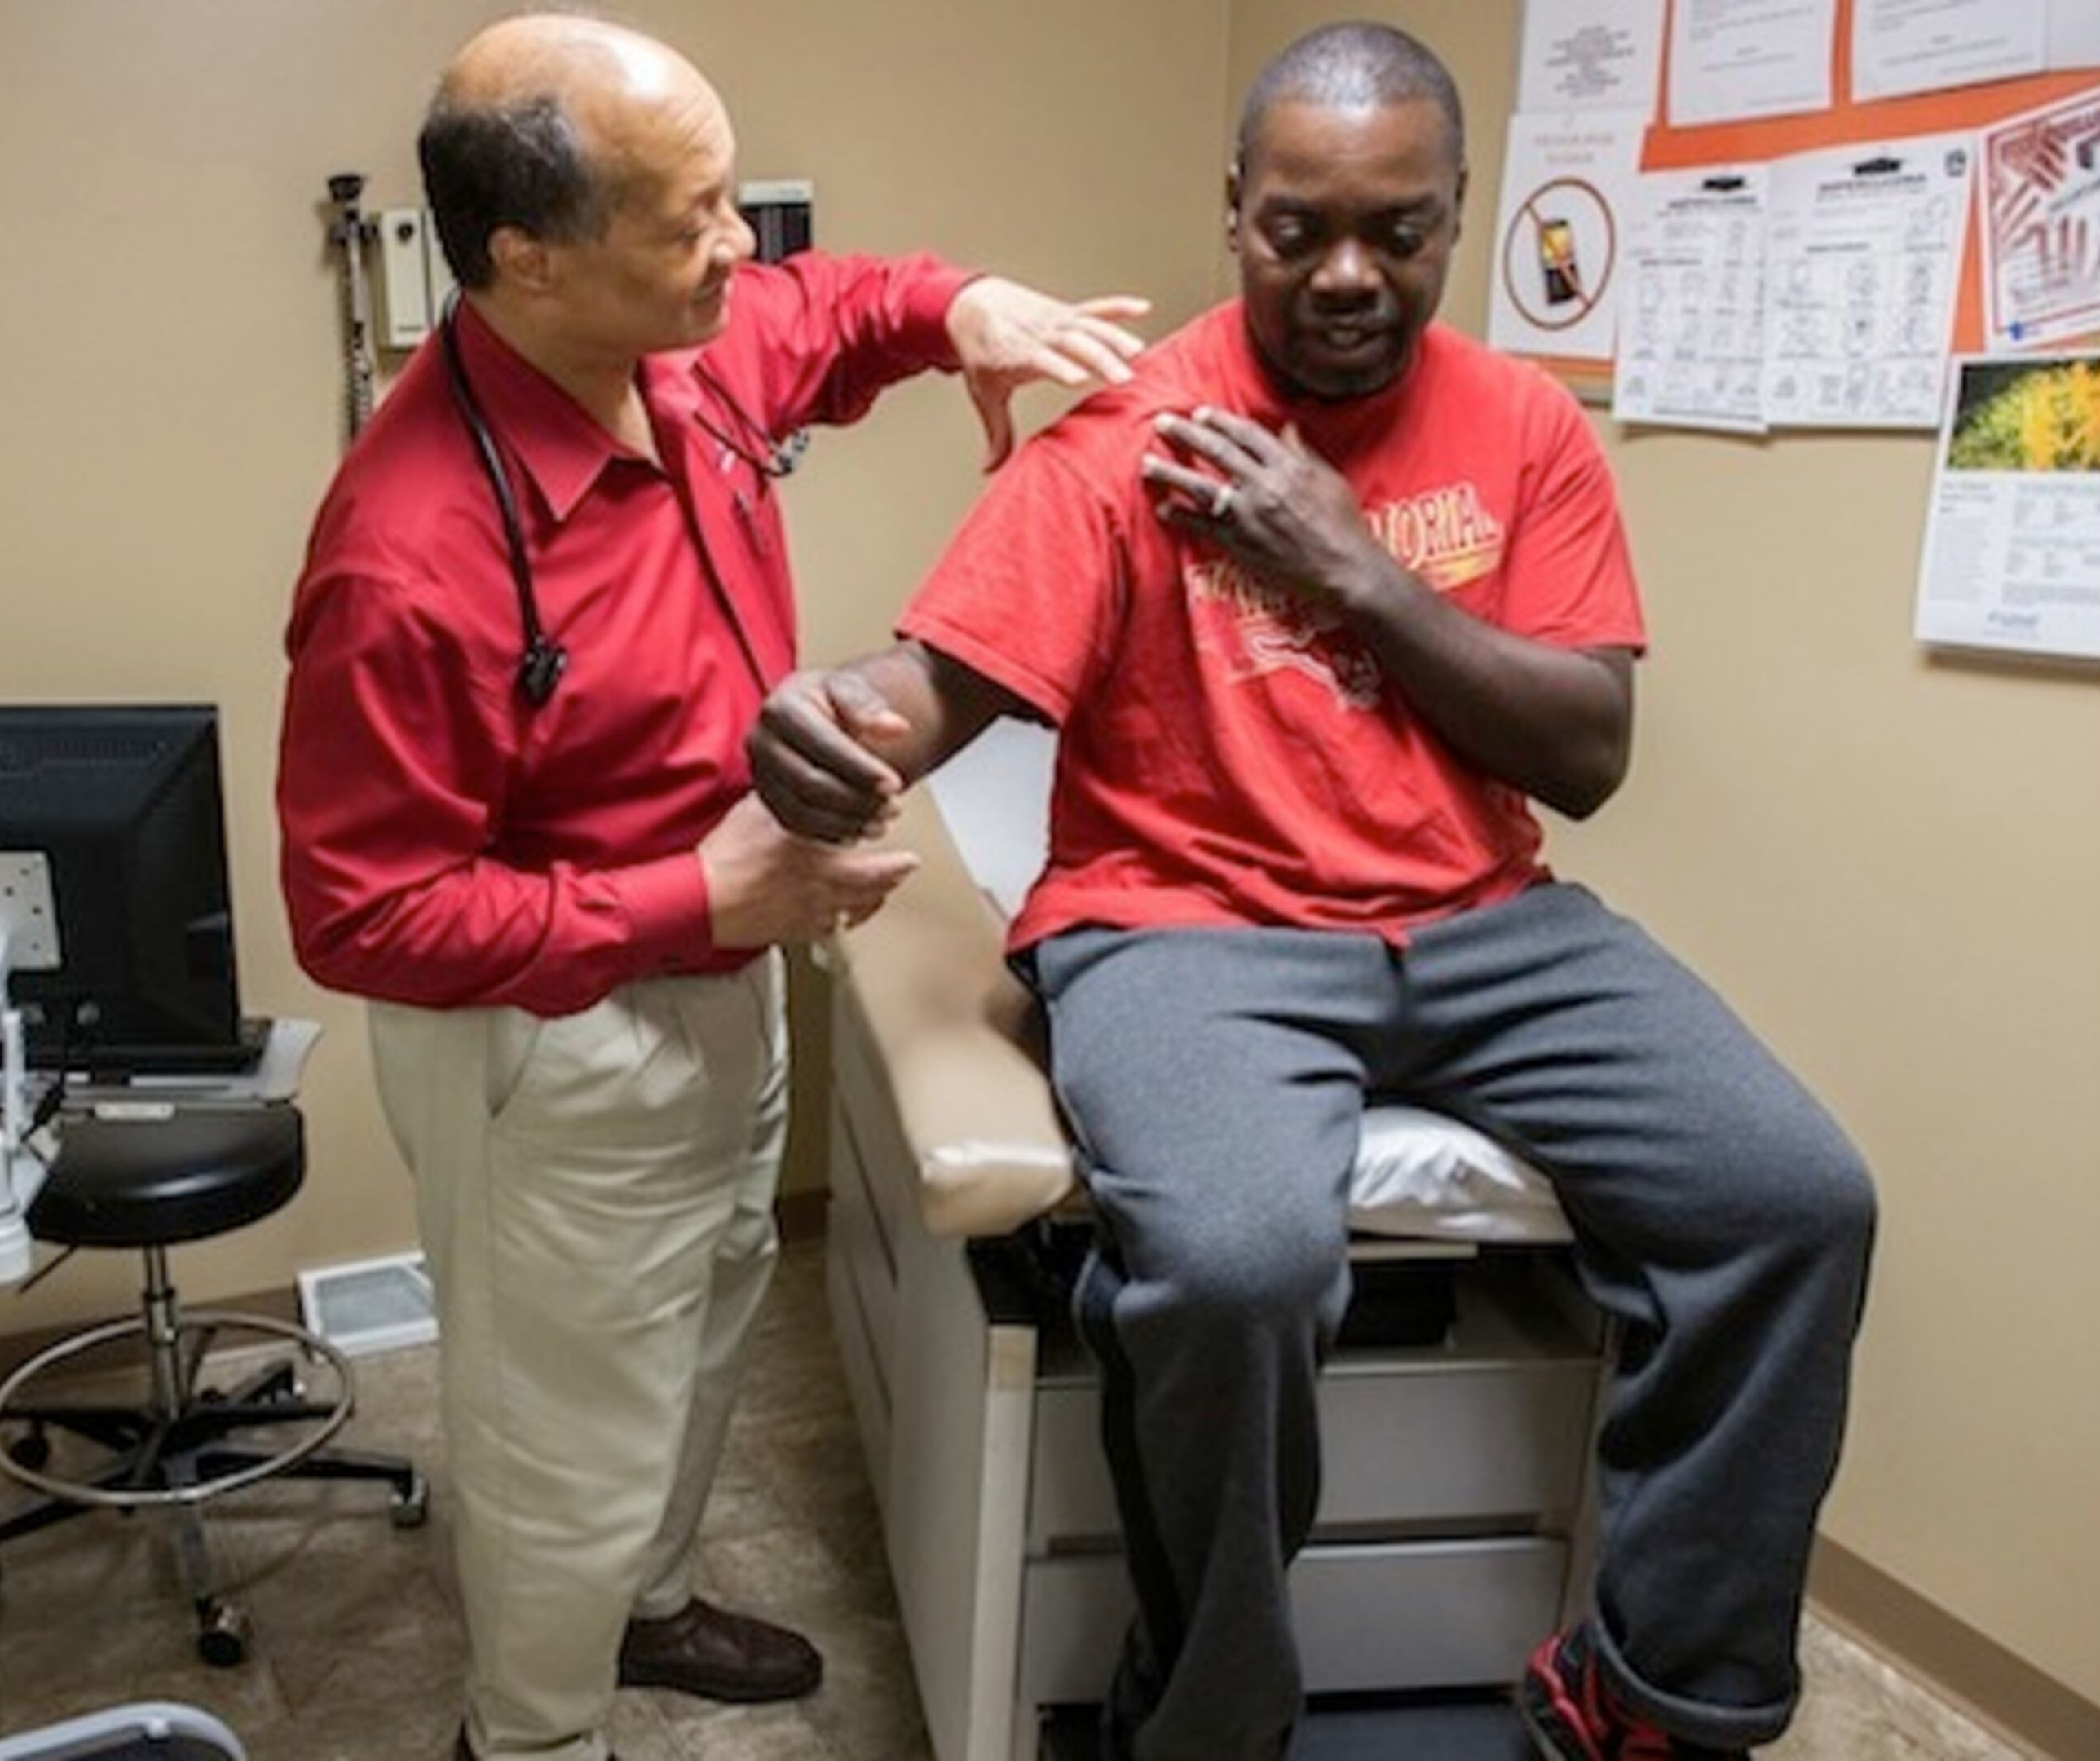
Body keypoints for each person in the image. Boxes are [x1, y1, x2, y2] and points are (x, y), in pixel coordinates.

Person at [748, 24, 1875, 1761]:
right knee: (1230, 1264)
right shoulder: (1124, 439)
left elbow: (1588, 751)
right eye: (1299, 231)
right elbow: (926, 688)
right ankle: (1206, 1718)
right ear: (1234, 214)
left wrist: (1349, 566)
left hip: (1486, 925)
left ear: (1455, 219)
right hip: (1186, 928)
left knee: (1797, 1198)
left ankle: (1656, 1692)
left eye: (1399, 232)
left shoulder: (1522, 430)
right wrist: (824, 723)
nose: (1350, 275)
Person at [275, 15, 1149, 1759]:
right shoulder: (408, 556)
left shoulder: (682, 345)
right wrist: (694, 900)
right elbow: (361, 921)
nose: (740, 252)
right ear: (528, 254)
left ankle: (650, 1604)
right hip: (549, 1037)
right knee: (558, 1437)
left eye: (733, 202)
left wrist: (962, 306)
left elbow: (848, 305)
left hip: (721, 966)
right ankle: (528, 1733)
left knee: (696, 1330)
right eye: (694, 220)